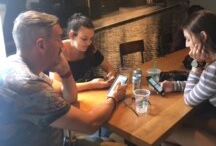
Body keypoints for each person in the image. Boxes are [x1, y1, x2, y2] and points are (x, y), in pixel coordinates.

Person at [0, 10, 126, 146]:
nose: (62, 45)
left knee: (110, 141)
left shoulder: (17, 64)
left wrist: (65, 71)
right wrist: (114, 97)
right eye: (58, 39)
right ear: (41, 45)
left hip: (59, 141)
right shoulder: (29, 85)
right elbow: (90, 124)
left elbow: (69, 97)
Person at [161, 10, 216, 145]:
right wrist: (174, 85)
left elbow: (189, 99)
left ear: (203, 36)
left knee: (167, 133)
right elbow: (204, 85)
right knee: (186, 122)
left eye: (188, 39)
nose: (186, 45)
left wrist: (196, 65)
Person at [52, 13, 116, 92]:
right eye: (84, 39)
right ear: (72, 35)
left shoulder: (91, 48)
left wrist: (111, 75)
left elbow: (110, 68)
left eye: (91, 39)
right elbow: (58, 86)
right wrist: (91, 85)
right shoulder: (58, 51)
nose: (89, 43)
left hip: (90, 94)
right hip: (70, 98)